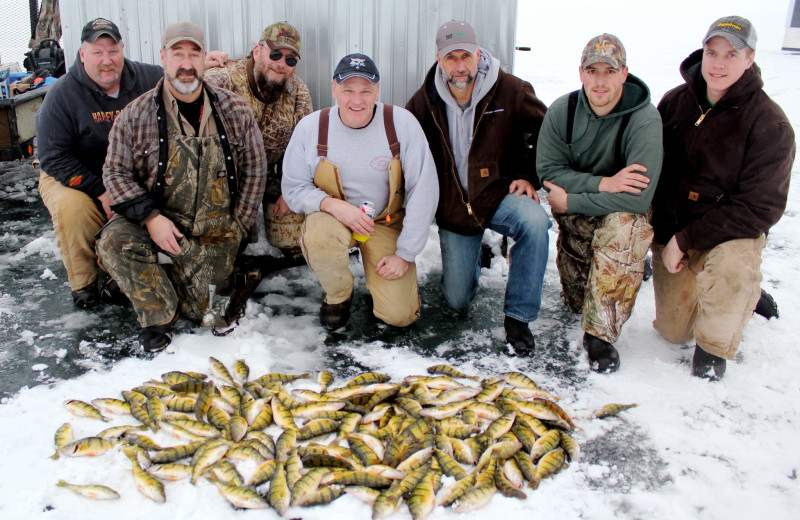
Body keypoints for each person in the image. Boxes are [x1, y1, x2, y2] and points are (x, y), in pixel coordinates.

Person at [96, 22, 267, 352]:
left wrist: (237, 226)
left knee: (207, 314)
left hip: (215, 230)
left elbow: (256, 170)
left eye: (194, 54)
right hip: (157, 224)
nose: (186, 63)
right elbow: (115, 173)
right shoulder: (135, 115)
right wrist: (150, 218)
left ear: (204, 59)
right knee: (114, 241)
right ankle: (158, 315)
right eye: (177, 54)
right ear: (163, 57)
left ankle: (180, 281)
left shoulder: (235, 110)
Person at [35, 17, 227, 309]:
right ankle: (85, 283)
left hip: (128, 169)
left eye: (113, 51)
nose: (107, 60)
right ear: (82, 53)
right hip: (75, 173)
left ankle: (125, 271)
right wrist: (100, 189)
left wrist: (212, 61)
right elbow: (53, 157)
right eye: (97, 52)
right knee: (73, 210)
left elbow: (180, 72)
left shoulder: (144, 77)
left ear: (122, 50)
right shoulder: (61, 95)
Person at [652, 16, 795, 381]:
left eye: (731, 55)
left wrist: (686, 240)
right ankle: (729, 295)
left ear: (750, 60)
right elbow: (654, 170)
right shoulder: (675, 102)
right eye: (712, 52)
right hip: (677, 229)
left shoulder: (770, 125)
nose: (718, 64)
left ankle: (718, 340)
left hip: (729, 233)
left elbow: (759, 208)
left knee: (730, 274)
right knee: (672, 332)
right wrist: (660, 236)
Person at [405, 20, 550, 354]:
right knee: (457, 299)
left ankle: (518, 317)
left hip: (500, 194)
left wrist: (530, 174)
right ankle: (477, 253)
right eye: (451, 57)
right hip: (456, 206)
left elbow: (547, 131)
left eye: (466, 57)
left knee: (535, 223)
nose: (460, 66)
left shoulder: (511, 89)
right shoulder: (424, 100)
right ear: (439, 58)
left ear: (478, 54)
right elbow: (404, 146)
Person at [282, 53, 438, 329]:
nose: (357, 100)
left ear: (377, 90)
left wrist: (405, 254)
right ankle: (338, 294)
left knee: (399, 317)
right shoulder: (311, 128)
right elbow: (293, 188)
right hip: (335, 220)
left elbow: (423, 190)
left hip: (385, 222)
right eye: (348, 90)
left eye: (366, 91)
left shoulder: (402, 123)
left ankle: (386, 283)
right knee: (319, 235)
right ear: (334, 89)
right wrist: (333, 205)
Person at [537, 34, 663, 373]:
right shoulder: (562, 111)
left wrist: (573, 197)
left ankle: (600, 337)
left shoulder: (644, 120)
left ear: (624, 73)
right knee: (577, 303)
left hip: (620, 216)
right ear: (581, 72)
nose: (601, 80)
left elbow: (638, 197)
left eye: (610, 71)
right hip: (579, 220)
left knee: (625, 226)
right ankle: (622, 269)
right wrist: (604, 183)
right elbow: (549, 172)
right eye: (593, 70)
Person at [205, 21, 312, 250]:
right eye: (275, 54)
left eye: (290, 59)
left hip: (270, 174)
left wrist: (291, 190)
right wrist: (197, 65)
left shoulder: (298, 92)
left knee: (290, 236)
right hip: (226, 179)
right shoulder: (224, 79)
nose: (282, 64)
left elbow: (305, 146)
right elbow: (180, 94)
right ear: (257, 51)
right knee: (228, 246)